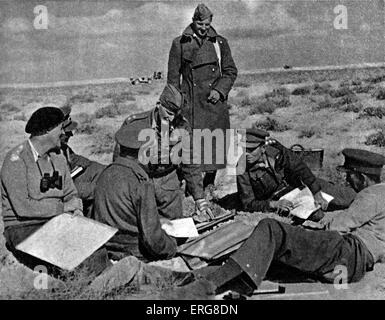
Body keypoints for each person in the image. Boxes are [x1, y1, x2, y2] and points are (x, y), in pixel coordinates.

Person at [181, 148, 385, 296]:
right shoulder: (381, 194)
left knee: (271, 228)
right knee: (273, 254)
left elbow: (339, 226)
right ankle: (203, 277)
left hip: (348, 253)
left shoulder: (371, 195)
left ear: (363, 178)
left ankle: (207, 284)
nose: (348, 181)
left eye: (351, 177)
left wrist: (313, 220)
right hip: (352, 262)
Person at [113, 84, 213, 221]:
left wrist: (199, 199)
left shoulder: (182, 126)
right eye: (169, 114)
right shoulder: (135, 124)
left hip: (168, 183)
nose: (172, 119)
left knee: (175, 228)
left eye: (176, 114)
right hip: (141, 180)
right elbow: (120, 161)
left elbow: (190, 163)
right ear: (158, 104)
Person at [0, 107, 84, 270]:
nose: (63, 133)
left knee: (93, 248)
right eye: (61, 128)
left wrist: (77, 210)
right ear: (47, 130)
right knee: (60, 257)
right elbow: (24, 207)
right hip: (24, 227)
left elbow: (71, 194)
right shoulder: (16, 160)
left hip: (56, 222)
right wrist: (63, 208)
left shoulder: (58, 157)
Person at [167, 3, 238, 189]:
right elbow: (173, 78)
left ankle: (209, 182)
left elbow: (230, 71)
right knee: (190, 146)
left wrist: (220, 90)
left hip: (214, 104)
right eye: (200, 25)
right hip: (190, 104)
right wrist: (175, 104)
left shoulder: (219, 43)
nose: (204, 29)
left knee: (214, 145)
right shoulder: (179, 43)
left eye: (207, 25)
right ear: (193, 22)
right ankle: (192, 185)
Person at [92, 121, 178, 261]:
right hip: (136, 255)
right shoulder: (140, 183)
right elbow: (153, 240)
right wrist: (172, 247)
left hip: (107, 251)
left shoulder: (106, 173)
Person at [236, 128, 357, 214]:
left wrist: (316, 192)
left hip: (299, 185)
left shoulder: (276, 150)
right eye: (244, 149)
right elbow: (248, 203)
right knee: (316, 214)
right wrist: (273, 204)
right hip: (281, 199)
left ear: (263, 148)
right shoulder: (241, 169)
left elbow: (299, 167)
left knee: (347, 197)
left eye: (250, 150)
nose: (246, 154)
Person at [59, 105, 106, 217]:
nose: (71, 134)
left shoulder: (62, 147)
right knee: (103, 187)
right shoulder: (48, 154)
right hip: (66, 193)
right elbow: (64, 191)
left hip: (72, 183)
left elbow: (73, 158)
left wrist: (104, 168)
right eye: (67, 131)